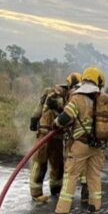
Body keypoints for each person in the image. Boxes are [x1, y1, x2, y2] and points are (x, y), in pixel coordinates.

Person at [51, 67, 108, 214]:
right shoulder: (101, 99)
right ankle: (95, 207)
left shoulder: (77, 98)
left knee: (71, 176)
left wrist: (56, 124)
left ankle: (62, 212)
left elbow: (65, 118)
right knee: (94, 177)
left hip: (80, 145)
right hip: (97, 146)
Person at [28, 72, 82, 203]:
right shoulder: (59, 93)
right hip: (46, 132)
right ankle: (36, 193)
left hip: (57, 134)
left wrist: (34, 119)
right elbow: (51, 107)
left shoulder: (65, 94)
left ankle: (56, 190)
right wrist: (35, 120)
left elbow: (40, 109)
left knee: (57, 163)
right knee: (40, 162)